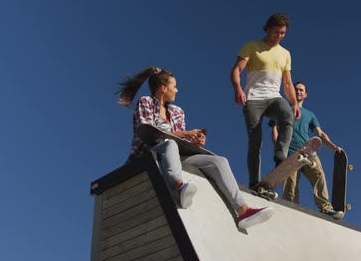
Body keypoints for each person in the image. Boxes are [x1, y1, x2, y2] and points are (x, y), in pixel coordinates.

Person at [117, 66, 274, 229]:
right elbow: (148, 133)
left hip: (175, 155)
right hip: (147, 154)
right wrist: (185, 134)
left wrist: (194, 141)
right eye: (174, 86)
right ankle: (178, 187)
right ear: (164, 88)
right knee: (169, 144)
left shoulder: (178, 112)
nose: (177, 91)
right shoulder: (146, 102)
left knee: (219, 161)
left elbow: (180, 140)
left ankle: (244, 211)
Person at [230, 13, 301, 193]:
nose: (279, 36)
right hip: (253, 98)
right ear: (268, 29)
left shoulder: (285, 54)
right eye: (276, 32)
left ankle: (280, 157)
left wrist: (294, 102)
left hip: (274, 97)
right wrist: (238, 89)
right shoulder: (252, 46)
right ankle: (254, 181)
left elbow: (287, 82)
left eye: (283, 33)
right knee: (255, 141)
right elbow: (236, 70)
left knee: (286, 114)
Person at [270, 81, 344, 220]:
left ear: (306, 94)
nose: (298, 92)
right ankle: (291, 211)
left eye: (301, 90)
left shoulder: (310, 115)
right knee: (290, 187)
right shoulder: (283, 108)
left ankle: (326, 208)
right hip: (290, 154)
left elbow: (320, 133)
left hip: (308, 150)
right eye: (296, 90)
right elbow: (275, 129)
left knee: (319, 176)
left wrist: (333, 147)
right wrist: (278, 151)